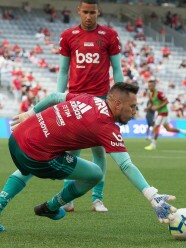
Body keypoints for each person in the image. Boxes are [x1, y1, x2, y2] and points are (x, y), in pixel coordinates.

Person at [0, 83, 176, 232]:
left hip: (17, 139)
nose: (134, 112)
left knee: (29, 164)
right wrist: (152, 195)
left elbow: (54, 96)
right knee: (95, 174)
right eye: (132, 107)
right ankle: (51, 207)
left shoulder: (88, 98)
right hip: (37, 155)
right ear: (117, 104)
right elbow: (126, 165)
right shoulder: (106, 127)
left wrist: (30, 113)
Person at [57, 0, 124, 213]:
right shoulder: (68, 36)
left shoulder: (110, 36)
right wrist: (60, 97)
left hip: (101, 100)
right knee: (71, 149)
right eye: (85, 12)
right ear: (78, 11)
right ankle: (67, 198)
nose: (88, 16)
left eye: (92, 12)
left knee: (99, 150)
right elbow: (63, 71)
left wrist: (120, 97)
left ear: (98, 12)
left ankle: (97, 199)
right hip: (75, 99)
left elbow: (117, 68)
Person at [144, 79, 186, 151]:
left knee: (155, 127)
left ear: (154, 86)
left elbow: (167, 101)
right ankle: (185, 132)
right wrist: (148, 108)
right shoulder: (150, 94)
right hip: (159, 113)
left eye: (150, 86)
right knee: (168, 129)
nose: (149, 87)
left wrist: (158, 107)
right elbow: (152, 103)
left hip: (164, 112)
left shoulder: (159, 93)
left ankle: (153, 144)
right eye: (148, 86)